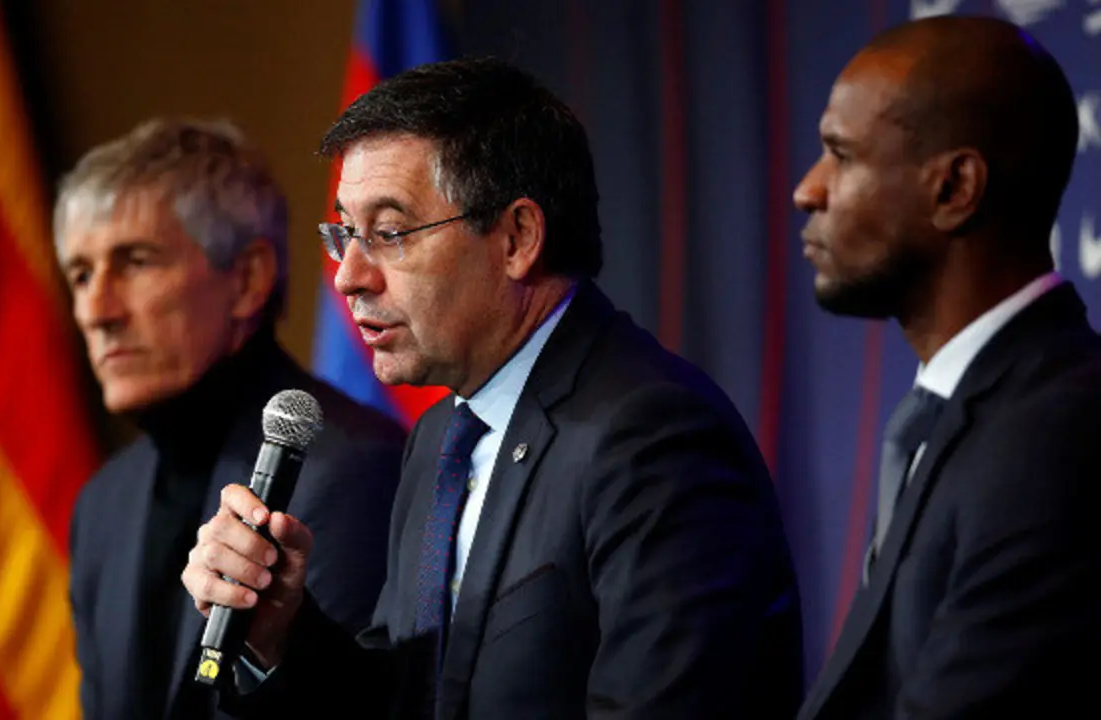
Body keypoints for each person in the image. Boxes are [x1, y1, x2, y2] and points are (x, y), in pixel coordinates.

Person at [182, 57, 804, 718]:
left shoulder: (653, 437)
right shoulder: (441, 437)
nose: (348, 276)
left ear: (516, 238)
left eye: (389, 234)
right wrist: (281, 631)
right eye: (346, 234)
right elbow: (409, 699)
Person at [793, 16, 1101, 719]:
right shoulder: (969, 413)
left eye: (840, 155)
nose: (808, 190)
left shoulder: (1057, 437)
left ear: (955, 188)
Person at [57, 118, 407, 720]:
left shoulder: (354, 468)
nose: (95, 310)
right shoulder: (102, 502)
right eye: (81, 274)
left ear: (247, 279)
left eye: (134, 262)